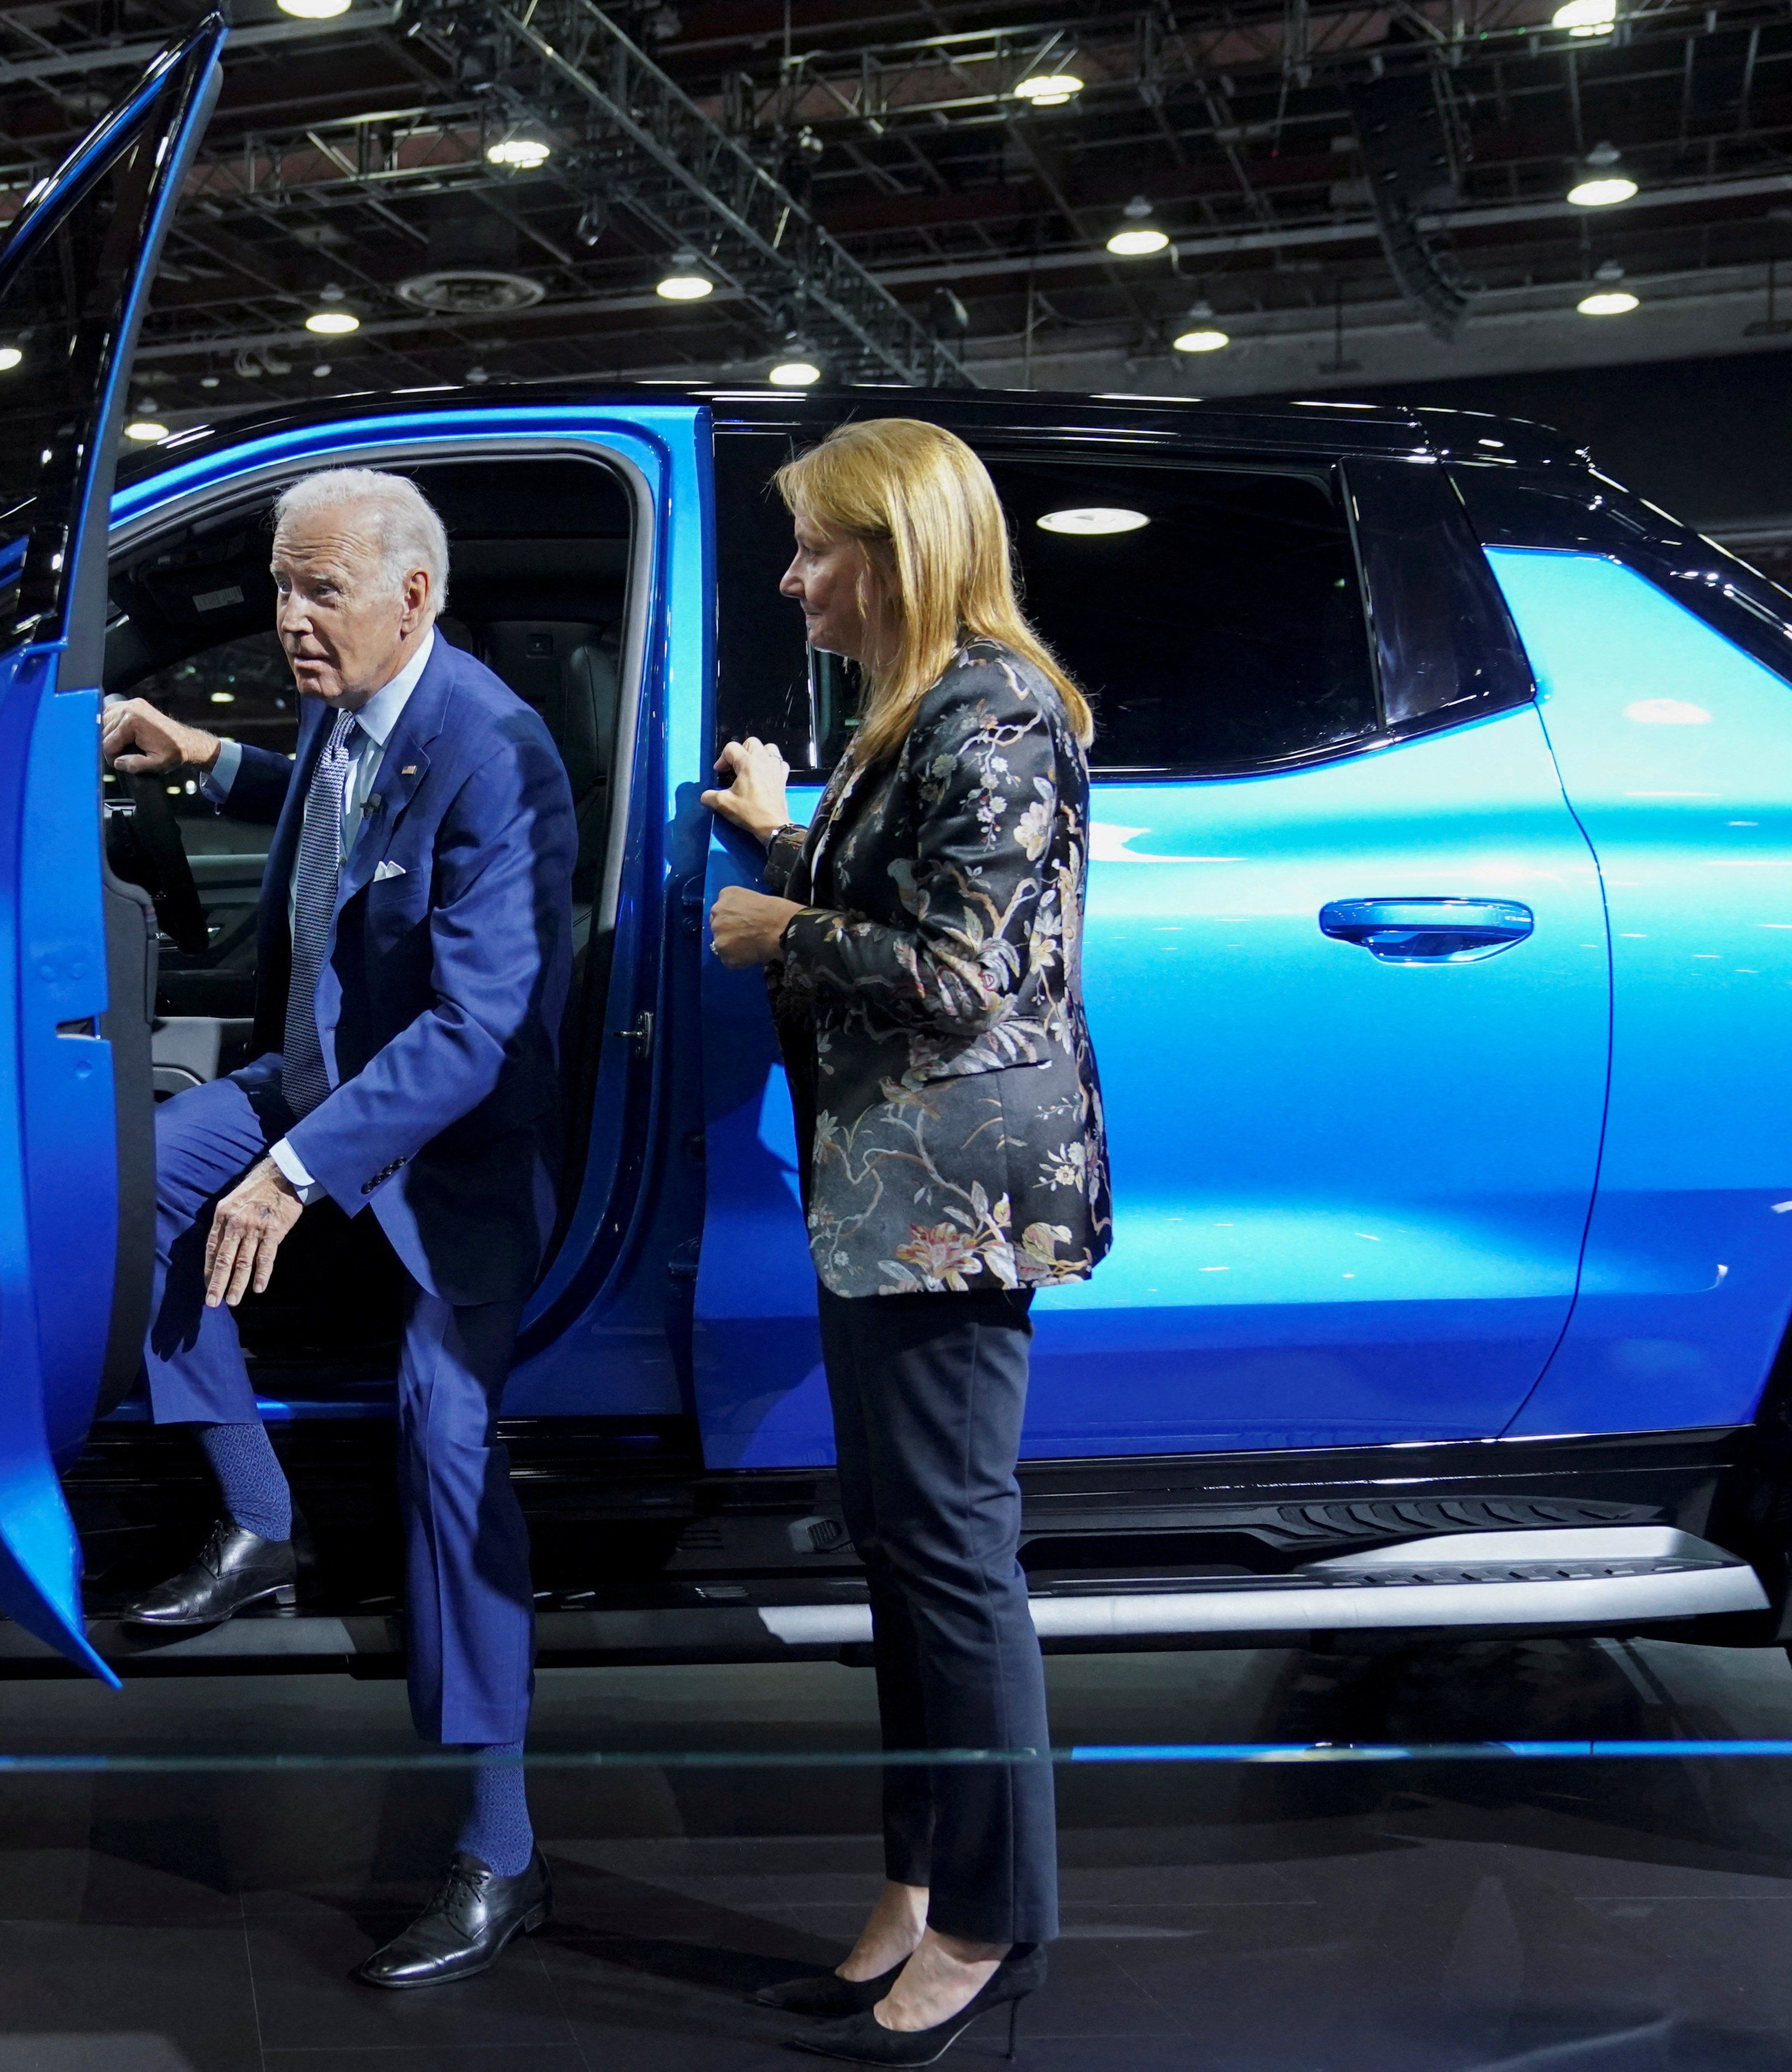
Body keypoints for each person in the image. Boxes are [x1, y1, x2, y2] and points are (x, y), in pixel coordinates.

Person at [98, 467, 578, 1988]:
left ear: (412, 596)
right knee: (139, 1188)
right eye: (280, 586)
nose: (289, 618)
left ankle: (498, 1851)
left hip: (458, 1155)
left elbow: (478, 1026)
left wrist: (295, 1169)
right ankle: (258, 1512)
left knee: (444, 1440)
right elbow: (323, 792)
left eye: (320, 591)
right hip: (313, 1076)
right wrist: (200, 752)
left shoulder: (495, 749)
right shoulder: (355, 704)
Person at [700, 417, 1109, 2066]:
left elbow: (962, 973)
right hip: (891, 1194)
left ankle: (994, 1917)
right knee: (905, 1551)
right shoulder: (917, 716)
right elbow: (919, 896)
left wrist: (779, 921)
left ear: (899, 547)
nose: (792, 578)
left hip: (955, 1197)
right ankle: (918, 1883)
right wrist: (781, 831)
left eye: (814, 549)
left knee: (950, 1560)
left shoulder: (996, 712)